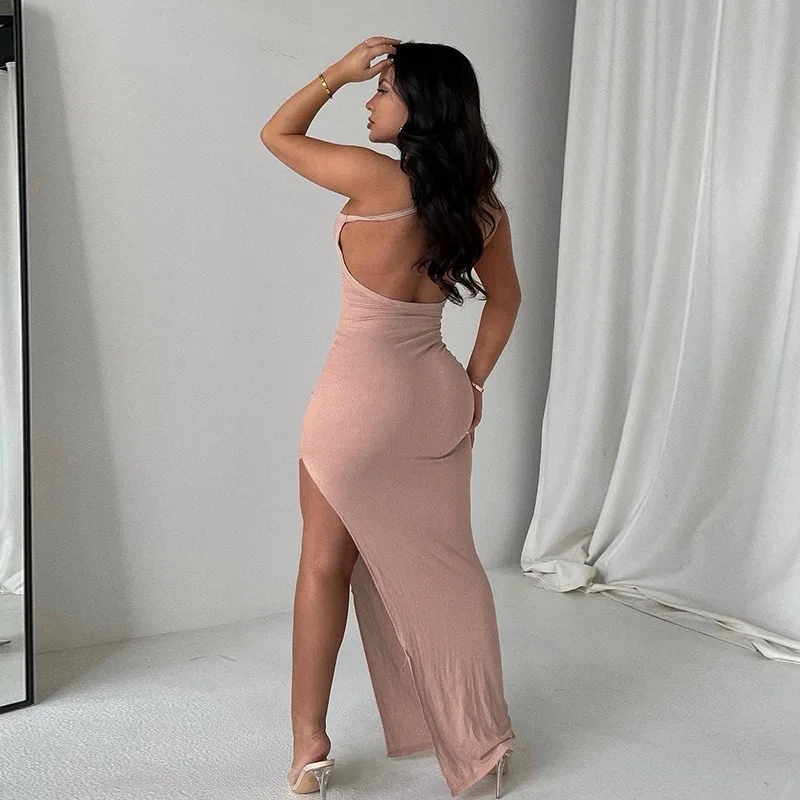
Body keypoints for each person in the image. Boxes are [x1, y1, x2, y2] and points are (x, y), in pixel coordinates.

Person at [261, 36, 522, 798]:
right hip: (435, 399)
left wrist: (335, 74)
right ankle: (481, 741)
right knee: (451, 570)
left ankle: (309, 747)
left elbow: (277, 133)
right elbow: (505, 301)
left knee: (323, 563)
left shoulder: (374, 180)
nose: (370, 101)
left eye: (383, 89)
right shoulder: (480, 207)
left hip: (356, 406)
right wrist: (474, 384)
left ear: (420, 106)